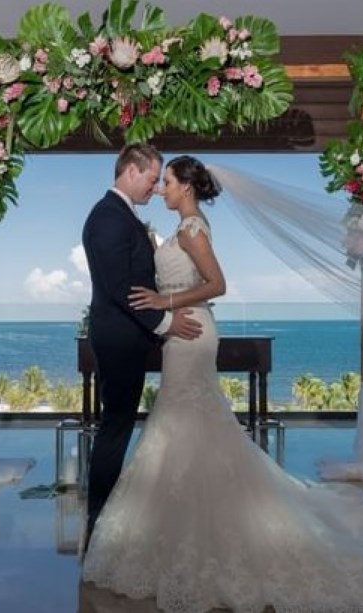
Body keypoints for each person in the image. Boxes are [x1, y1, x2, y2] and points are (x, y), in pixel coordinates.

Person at [81, 155, 363, 613]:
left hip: (190, 330)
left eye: (168, 182)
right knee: (184, 426)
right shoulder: (172, 227)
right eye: (157, 182)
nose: (161, 190)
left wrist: (166, 301)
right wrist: (161, 306)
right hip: (179, 330)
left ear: (187, 188)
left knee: (183, 422)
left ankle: (191, 531)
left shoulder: (193, 229)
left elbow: (217, 283)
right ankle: (183, 526)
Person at [81, 143, 203, 548]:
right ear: (131, 171)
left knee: (117, 425)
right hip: (119, 339)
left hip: (126, 335)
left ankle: (103, 514)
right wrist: (167, 322)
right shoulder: (108, 218)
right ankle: (97, 519)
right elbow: (121, 289)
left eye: (159, 182)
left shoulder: (120, 216)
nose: (154, 189)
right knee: (115, 427)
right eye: (153, 180)